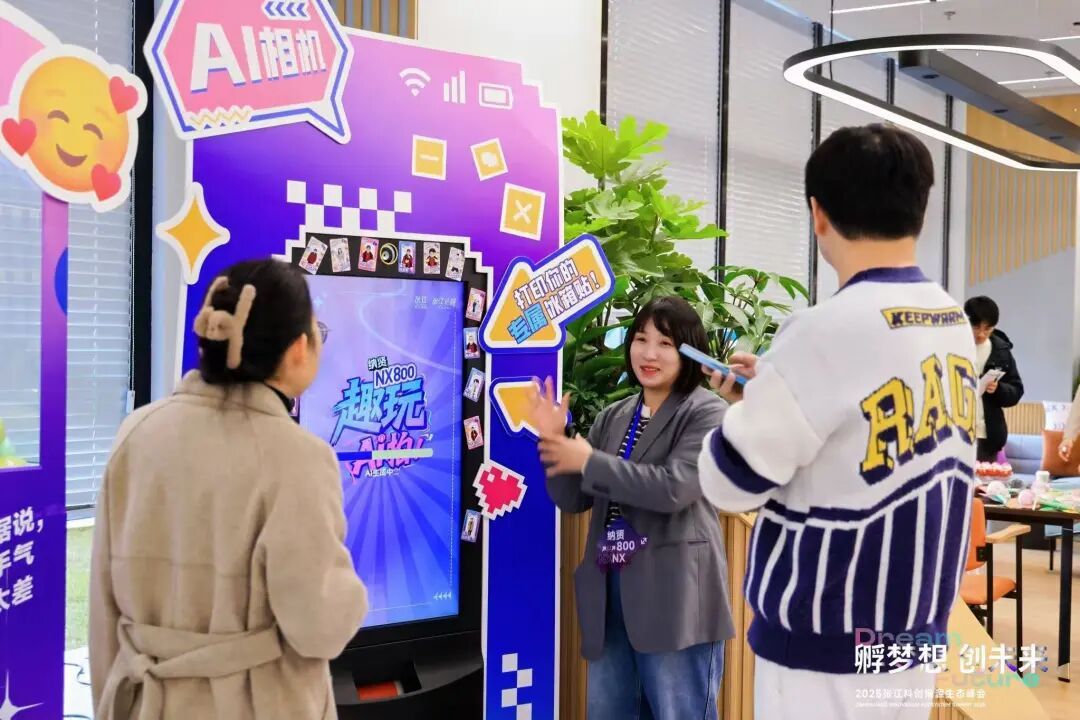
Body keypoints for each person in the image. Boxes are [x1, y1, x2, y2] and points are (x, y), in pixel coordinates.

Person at [698, 125, 976, 720]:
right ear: (922, 211)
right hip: (914, 634)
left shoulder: (822, 330)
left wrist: (751, 403)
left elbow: (728, 481)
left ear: (818, 214)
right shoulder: (951, 320)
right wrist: (775, 388)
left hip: (824, 643)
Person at [89, 259, 367, 719]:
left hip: (147, 703)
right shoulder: (297, 457)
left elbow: (104, 610)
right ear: (299, 347)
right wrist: (352, 596)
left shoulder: (136, 433)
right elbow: (320, 626)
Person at [531, 296, 733, 720]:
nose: (649, 353)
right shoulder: (614, 416)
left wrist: (588, 460)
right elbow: (574, 499)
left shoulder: (707, 411)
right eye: (640, 339)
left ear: (691, 351)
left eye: (665, 343)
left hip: (674, 597)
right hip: (611, 592)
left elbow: (673, 489)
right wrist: (555, 441)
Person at [964, 296, 1024, 462]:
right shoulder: (953, 346)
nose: (981, 334)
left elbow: (1017, 390)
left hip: (988, 436)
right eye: (976, 327)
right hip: (957, 432)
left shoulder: (1001, 350)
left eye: (988, 329)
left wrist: (999, 389)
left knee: (985, 478)